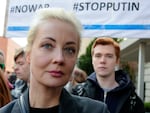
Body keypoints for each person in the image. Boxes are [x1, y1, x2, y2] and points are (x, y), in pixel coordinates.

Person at [0, 8, 109, 113]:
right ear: (29, 54)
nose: (59, 58)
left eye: (69, 50)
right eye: (47, 45)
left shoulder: (96, 110)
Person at [72, 37, 145, 113]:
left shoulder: (132, 100)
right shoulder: (77, 93)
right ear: (92, 60)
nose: (102, 61)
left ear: (117, 61)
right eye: (98, 56)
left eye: (109, 56)